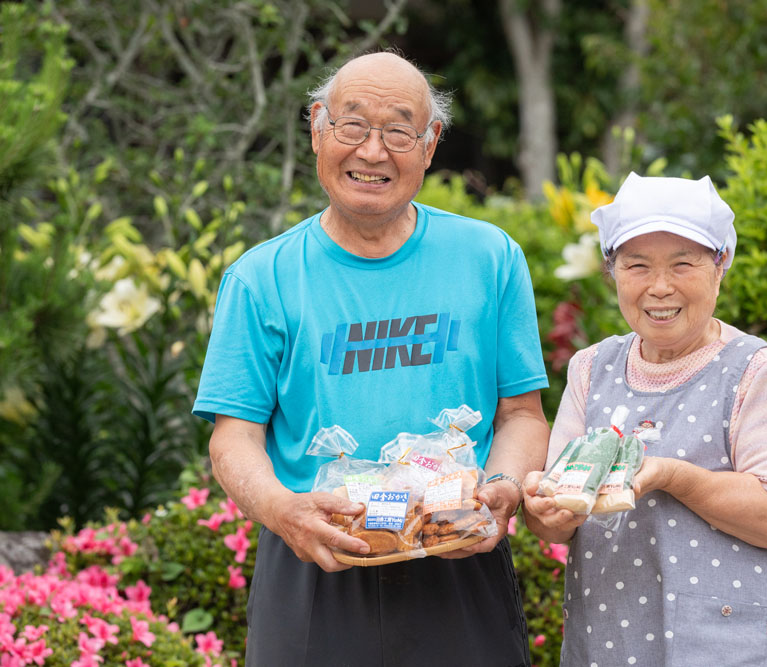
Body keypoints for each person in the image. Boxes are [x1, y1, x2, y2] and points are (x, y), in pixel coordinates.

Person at [193, 51, 550, 667]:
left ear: (431, 143)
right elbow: (233, 439)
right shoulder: (260, 279)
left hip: (457, 553)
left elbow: (522, 414)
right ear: (316, 128)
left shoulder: (489, 257)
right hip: (314, 561)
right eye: (352, 126)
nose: (372, 152)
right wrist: (285, 511)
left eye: (398, 131)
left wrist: (501, 488)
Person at [522, 173, 767, 667]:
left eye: (683, 264)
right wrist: (543, 509)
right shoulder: (591, 368)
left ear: (720, 266)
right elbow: (557, 519)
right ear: (613, 271)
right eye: (637, 266)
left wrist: (669, 476)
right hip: (612, 641)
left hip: (735, 645)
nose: (659, 287)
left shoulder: (756, 370)